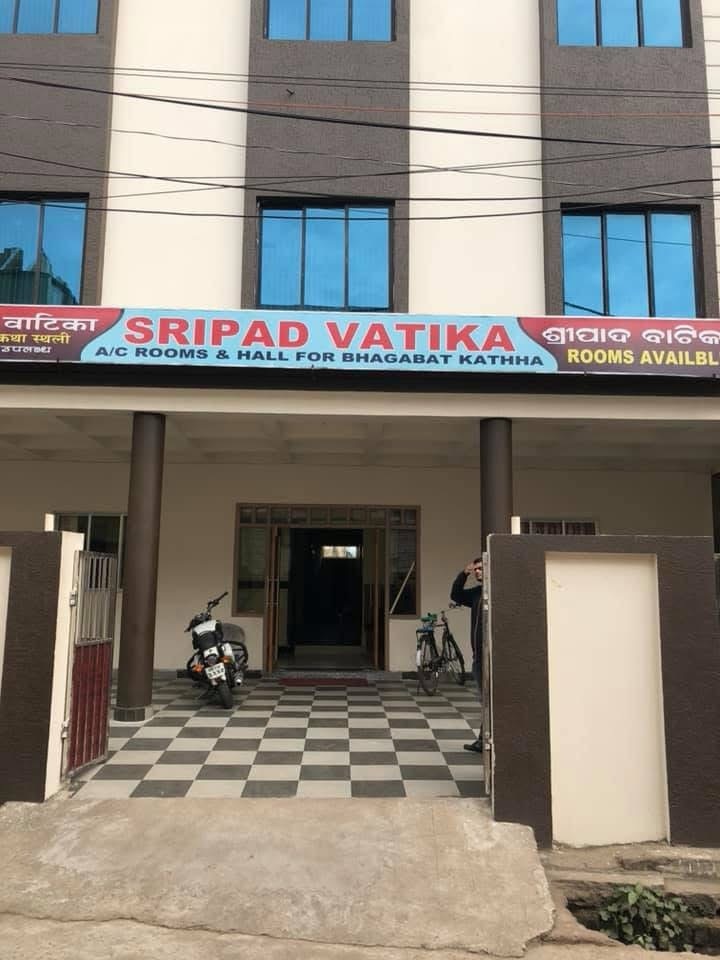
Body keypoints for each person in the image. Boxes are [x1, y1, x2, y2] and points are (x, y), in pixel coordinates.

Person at [450, 557, 484, 754]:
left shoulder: (495, 592)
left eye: (481, 568)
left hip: (490, 658)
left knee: (488, 701)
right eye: (476, 569)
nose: (477, 572)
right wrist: (464, 573)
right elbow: (456, 595)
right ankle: (483, 739)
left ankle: (484, 739)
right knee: (484, 701)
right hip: (478, 658)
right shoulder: (477, 594)